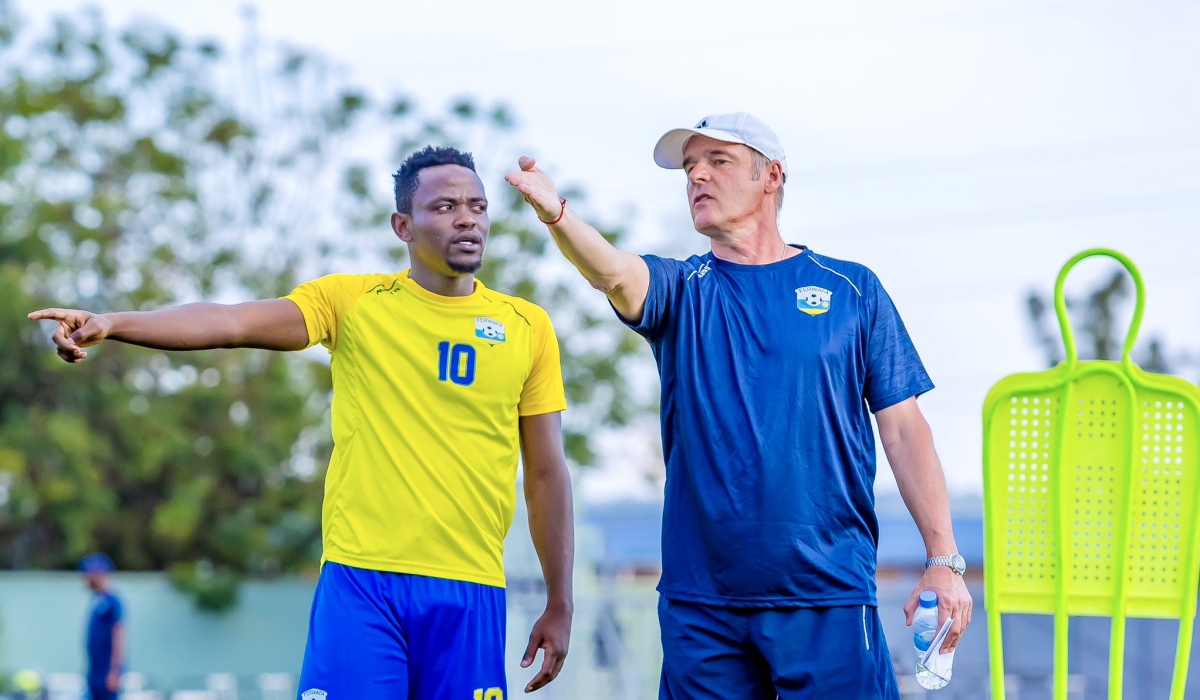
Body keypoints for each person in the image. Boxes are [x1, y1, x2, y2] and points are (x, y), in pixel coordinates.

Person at [30, 146, 575, 698]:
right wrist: (115, 322)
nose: (467, 218)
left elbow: (547, 475)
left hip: (471, 590)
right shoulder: (352, 302)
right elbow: (231, 321)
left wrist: (560, 600)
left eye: (478, 206)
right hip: (363, 583)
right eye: (445, 207)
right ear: (402, 226)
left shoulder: (527, 326)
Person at [505, 113, 973, 698]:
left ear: (771, 175)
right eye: (689, 168)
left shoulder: (853, 291)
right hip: (703, 605)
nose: (697, 176)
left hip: (825, 592)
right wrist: (557, 213)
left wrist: (945, 559)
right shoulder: (681, 290)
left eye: (717, 161)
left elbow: (904, 430)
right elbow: (613, 271)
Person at [80, 553, 123, 700]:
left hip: (107, 672)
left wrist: (115, 671)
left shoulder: (112, 601)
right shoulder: (96, 600)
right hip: (95, 671)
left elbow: (119, 634)